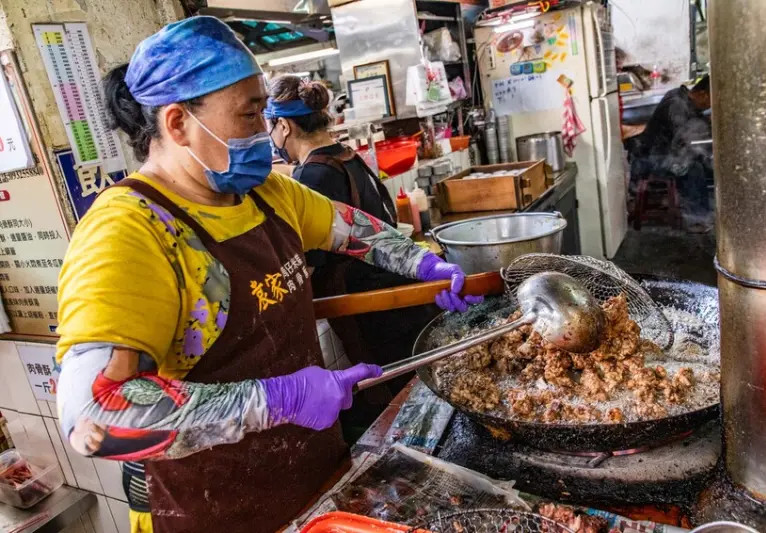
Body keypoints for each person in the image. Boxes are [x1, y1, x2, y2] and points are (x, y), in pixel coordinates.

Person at [55, 17, 483, 533]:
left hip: (317, 480)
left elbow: (351, 229)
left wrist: (425, 266)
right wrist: (281, 400)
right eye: (249, 115)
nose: (265, 132)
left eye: (264, 114)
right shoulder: (127, 231)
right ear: (176, 123)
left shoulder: (267, 195)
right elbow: (94, 418)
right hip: (216, 510)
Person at [265, 75, 479, 434]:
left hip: (374, 312)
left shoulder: (312, 175)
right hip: (397, 299)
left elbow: (338, 242)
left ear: (283, 126)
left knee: (409, 406)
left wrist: (426, 264)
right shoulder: (347, 156)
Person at [628, 75, 713, 232]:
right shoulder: (677, 105)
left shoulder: (680, 96)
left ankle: (696, 211)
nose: (709, 106)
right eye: (709, 101)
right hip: (651, 159)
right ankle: (695, 220)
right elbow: (685, 137)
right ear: (702, 94)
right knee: (692, 168)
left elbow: (691, 127)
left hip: (659, 152)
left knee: (697, 161)